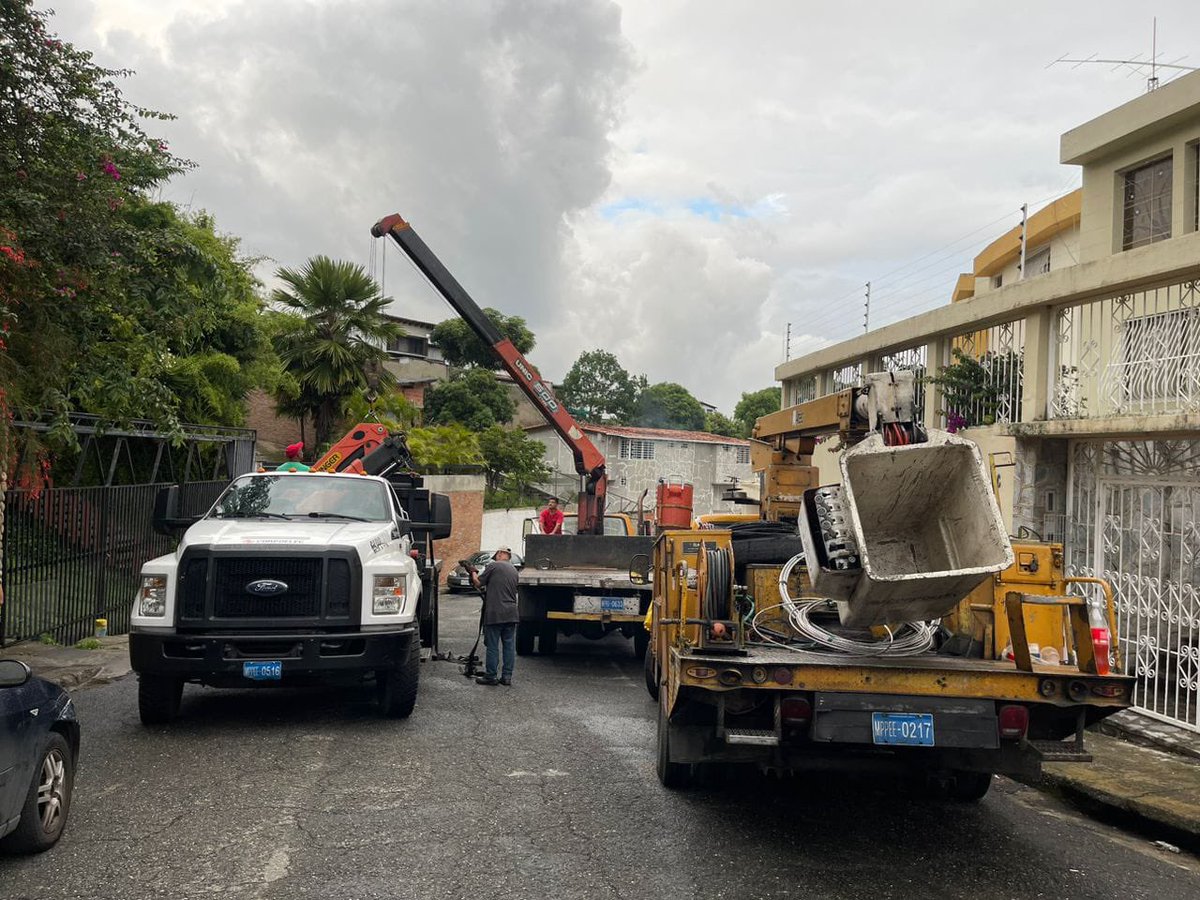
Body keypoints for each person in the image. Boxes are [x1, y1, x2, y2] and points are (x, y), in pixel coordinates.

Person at [470, 546, 520, 686]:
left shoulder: (494, 566)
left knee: (492, 646)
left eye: (497, 555)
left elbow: (478, 583)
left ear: (500, 554)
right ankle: (507, 677)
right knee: (509, 646)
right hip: (511, 613)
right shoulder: (514, 571)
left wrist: (473, 572)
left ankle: (491, 676)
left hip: (495, 613)